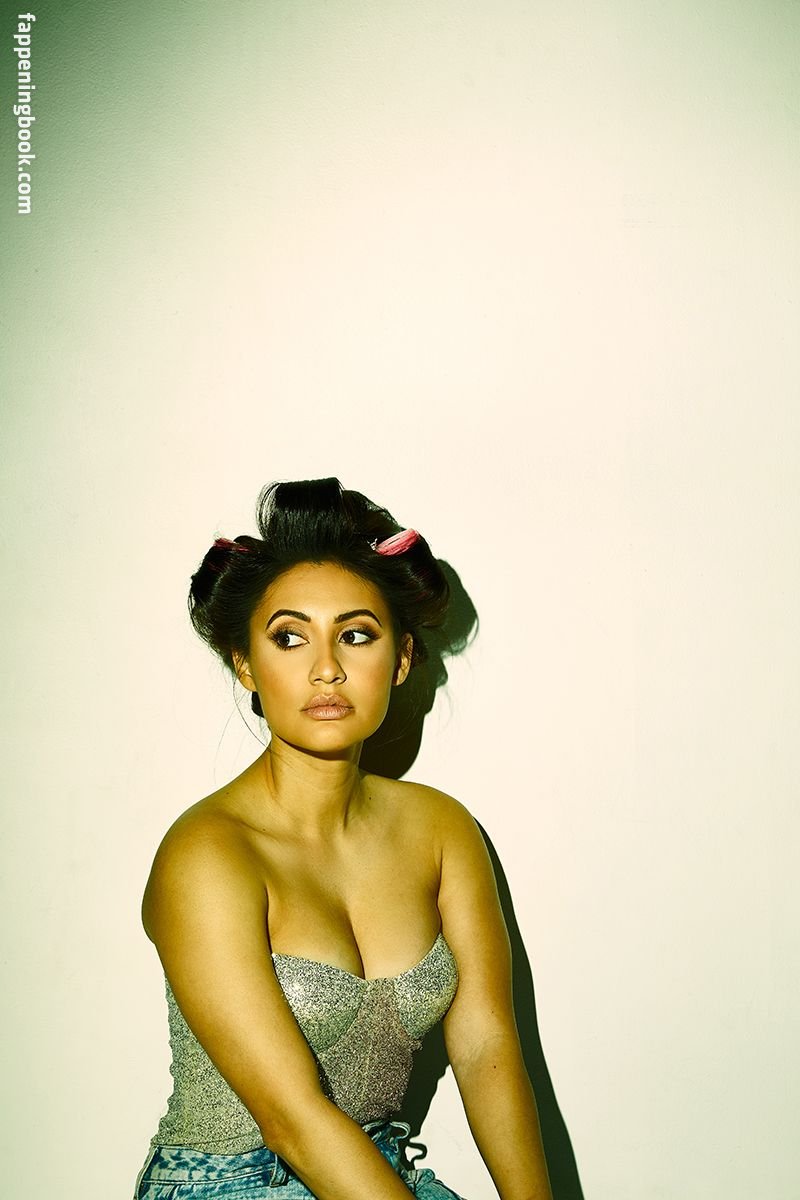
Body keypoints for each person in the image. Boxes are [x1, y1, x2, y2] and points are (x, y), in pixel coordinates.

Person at [134, 478, 553, 1200]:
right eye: (289, 638)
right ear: (245, 665)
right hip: (231, 1185)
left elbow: (487, 1046)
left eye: (355, 635)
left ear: (401, 659)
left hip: (385, 1175)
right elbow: (292, 1119)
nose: (326, 668)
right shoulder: (206, 854)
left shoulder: (443, 831)